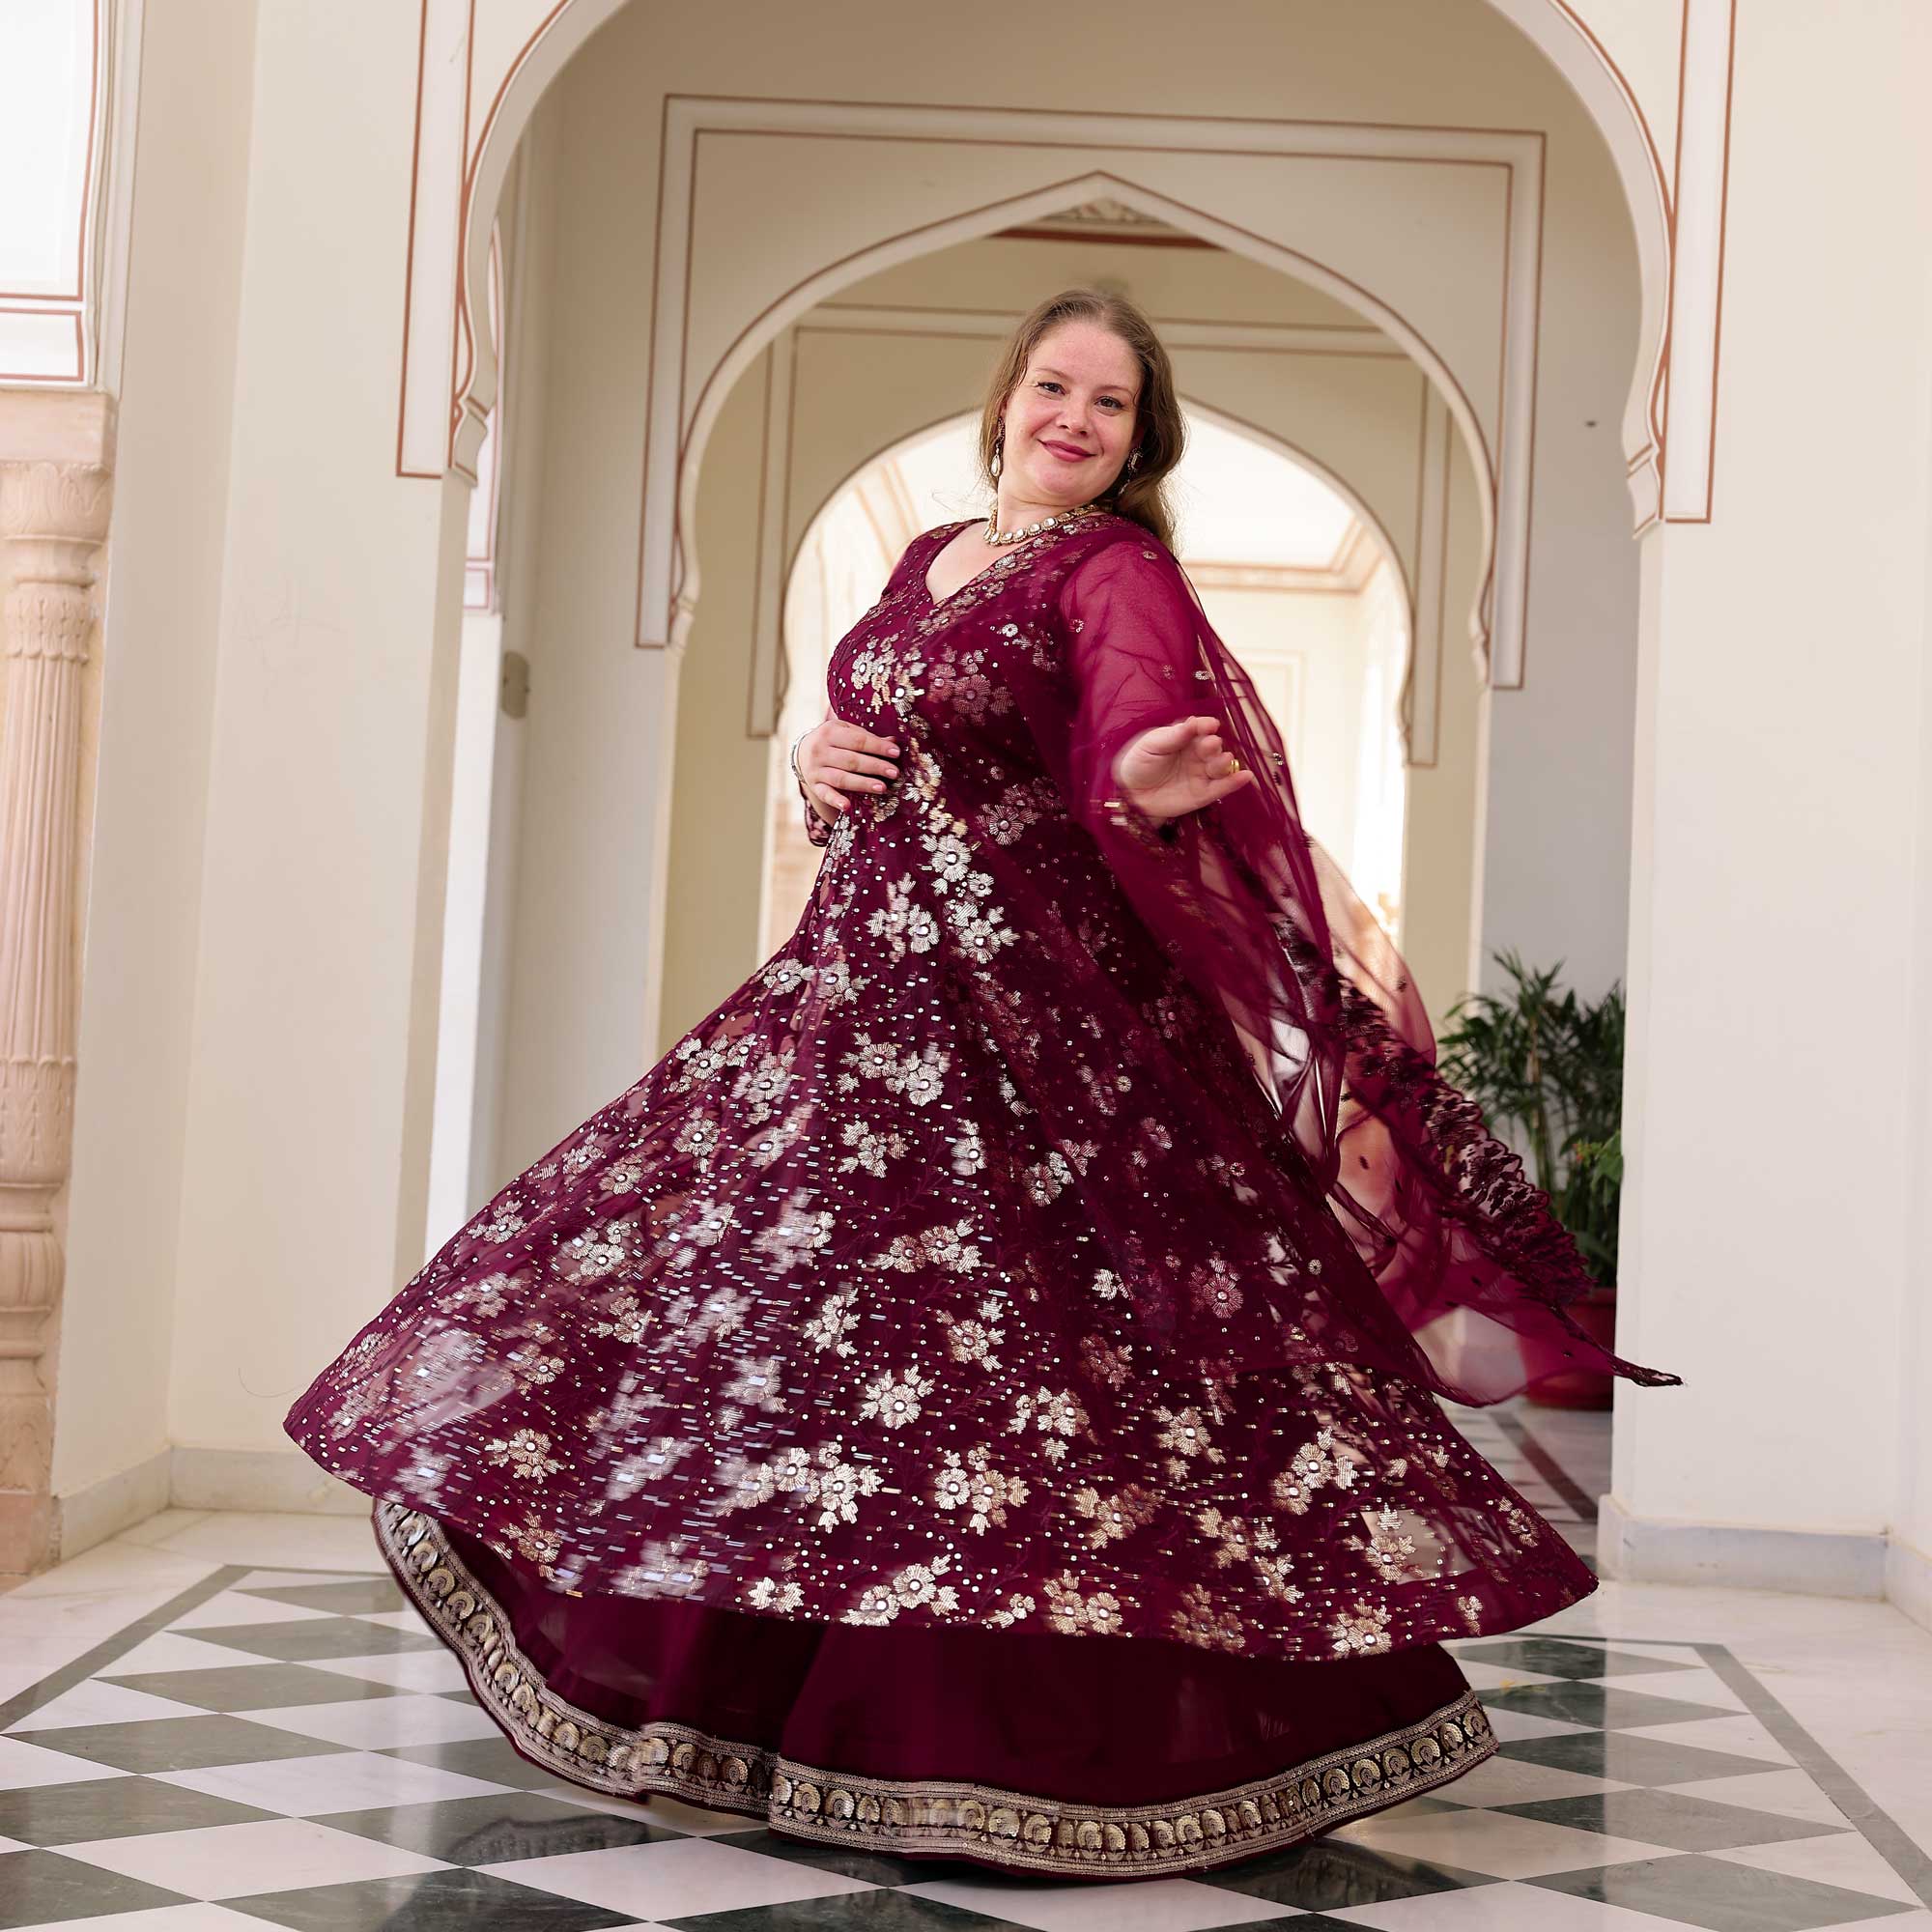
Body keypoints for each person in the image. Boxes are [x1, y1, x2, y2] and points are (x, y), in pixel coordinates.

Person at [285, 286, 1677, 1884]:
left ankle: (996, 1745)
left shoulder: (1116, 570)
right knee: (789, 1336)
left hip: (1024, 1037)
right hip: (846, 1008)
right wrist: (814, 761)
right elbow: (872, 736)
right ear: (1007, 395)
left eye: (1108, 406)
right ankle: (751, 1716)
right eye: (1052, 387)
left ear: (1138, 443)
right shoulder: (922, 556)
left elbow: (1140, 708)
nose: (1072, 420)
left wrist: (1145, 775)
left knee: (1012, 1377)